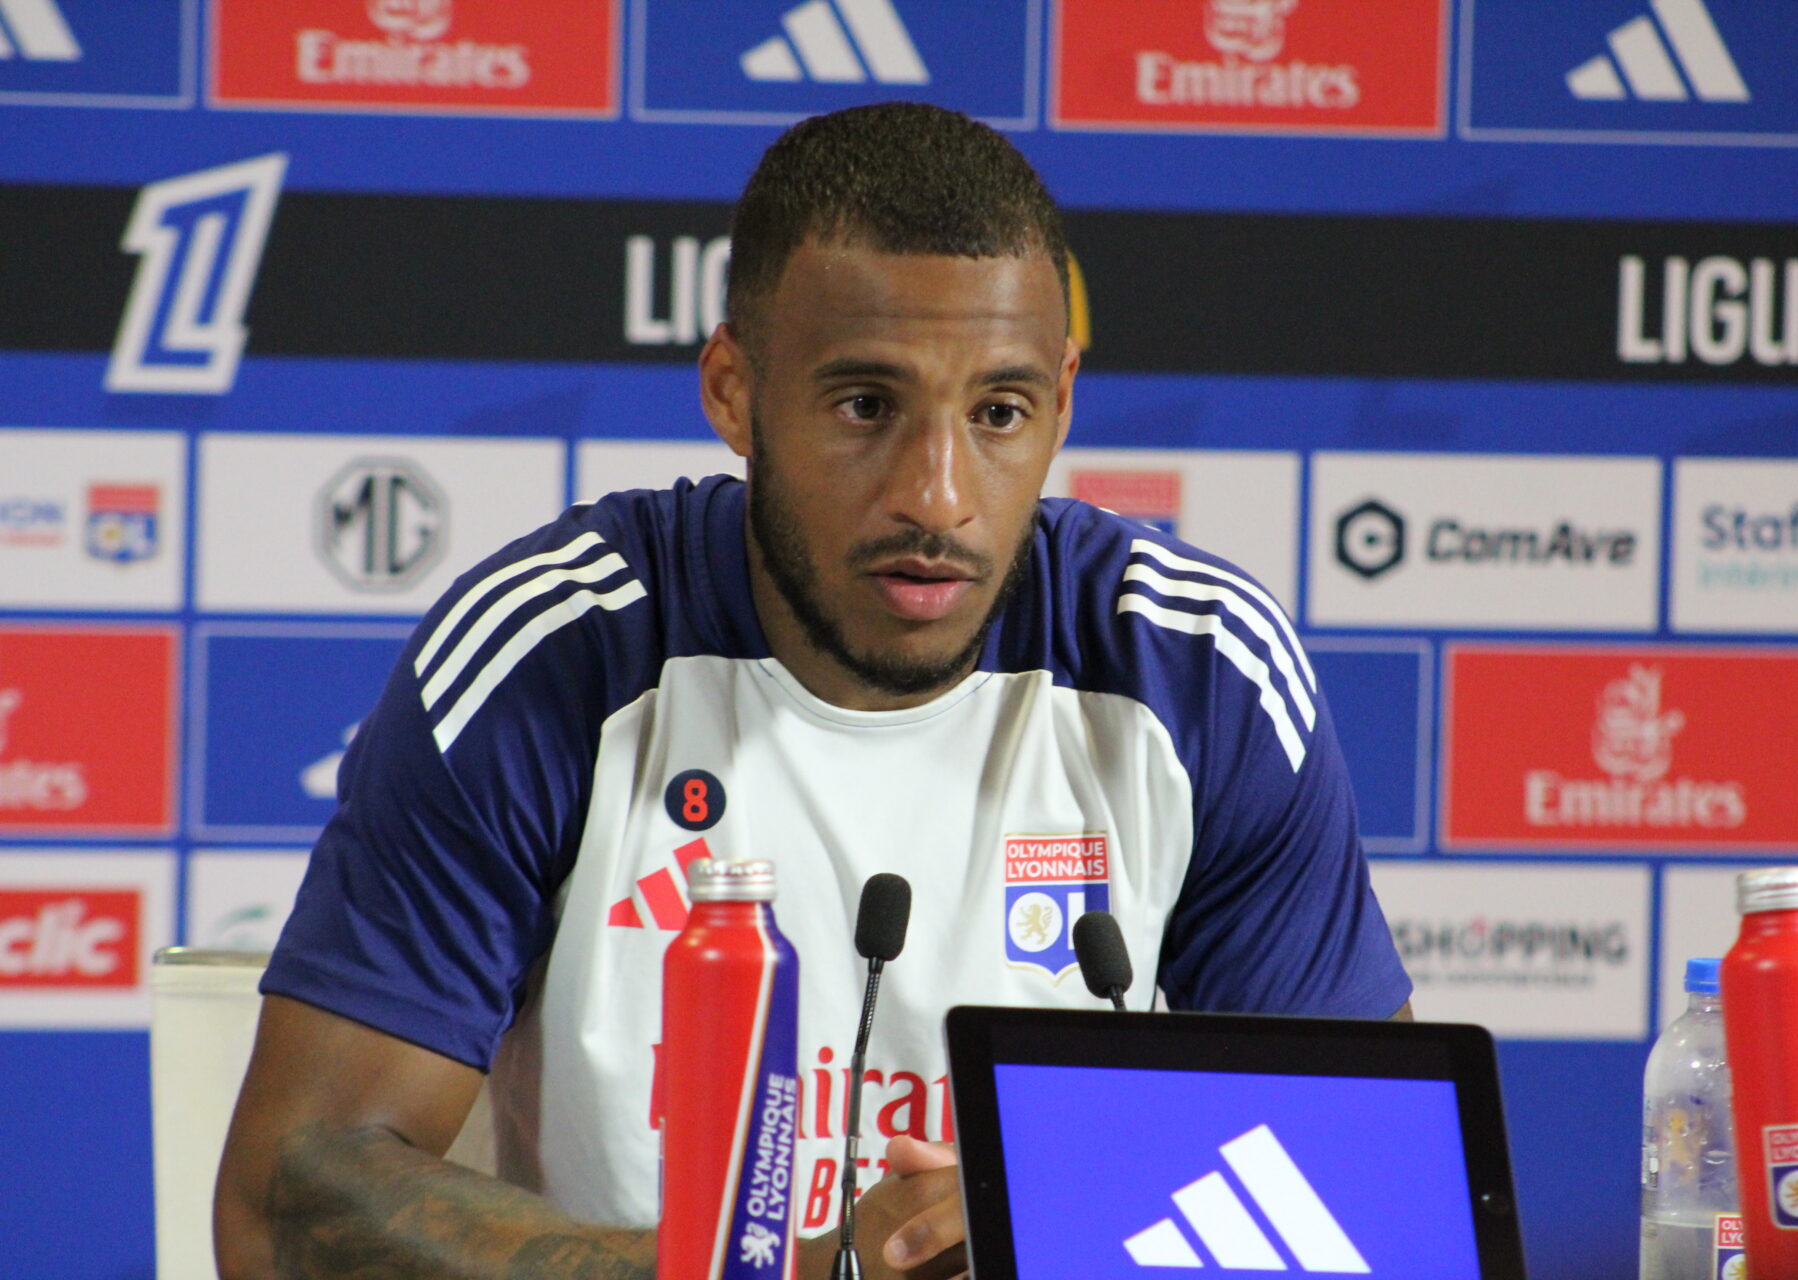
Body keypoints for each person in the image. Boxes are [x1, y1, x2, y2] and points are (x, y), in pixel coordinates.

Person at [213, 102, 1412, 1280]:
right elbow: (287, 1201)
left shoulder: (1193, 665)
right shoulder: (552, 655)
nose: (938, 498)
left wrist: (1059, 1200)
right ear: (734, 391)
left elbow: (1380, 1189)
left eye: (999, 412)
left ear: (1062, 400)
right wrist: (791, 1272)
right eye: (865, 406)